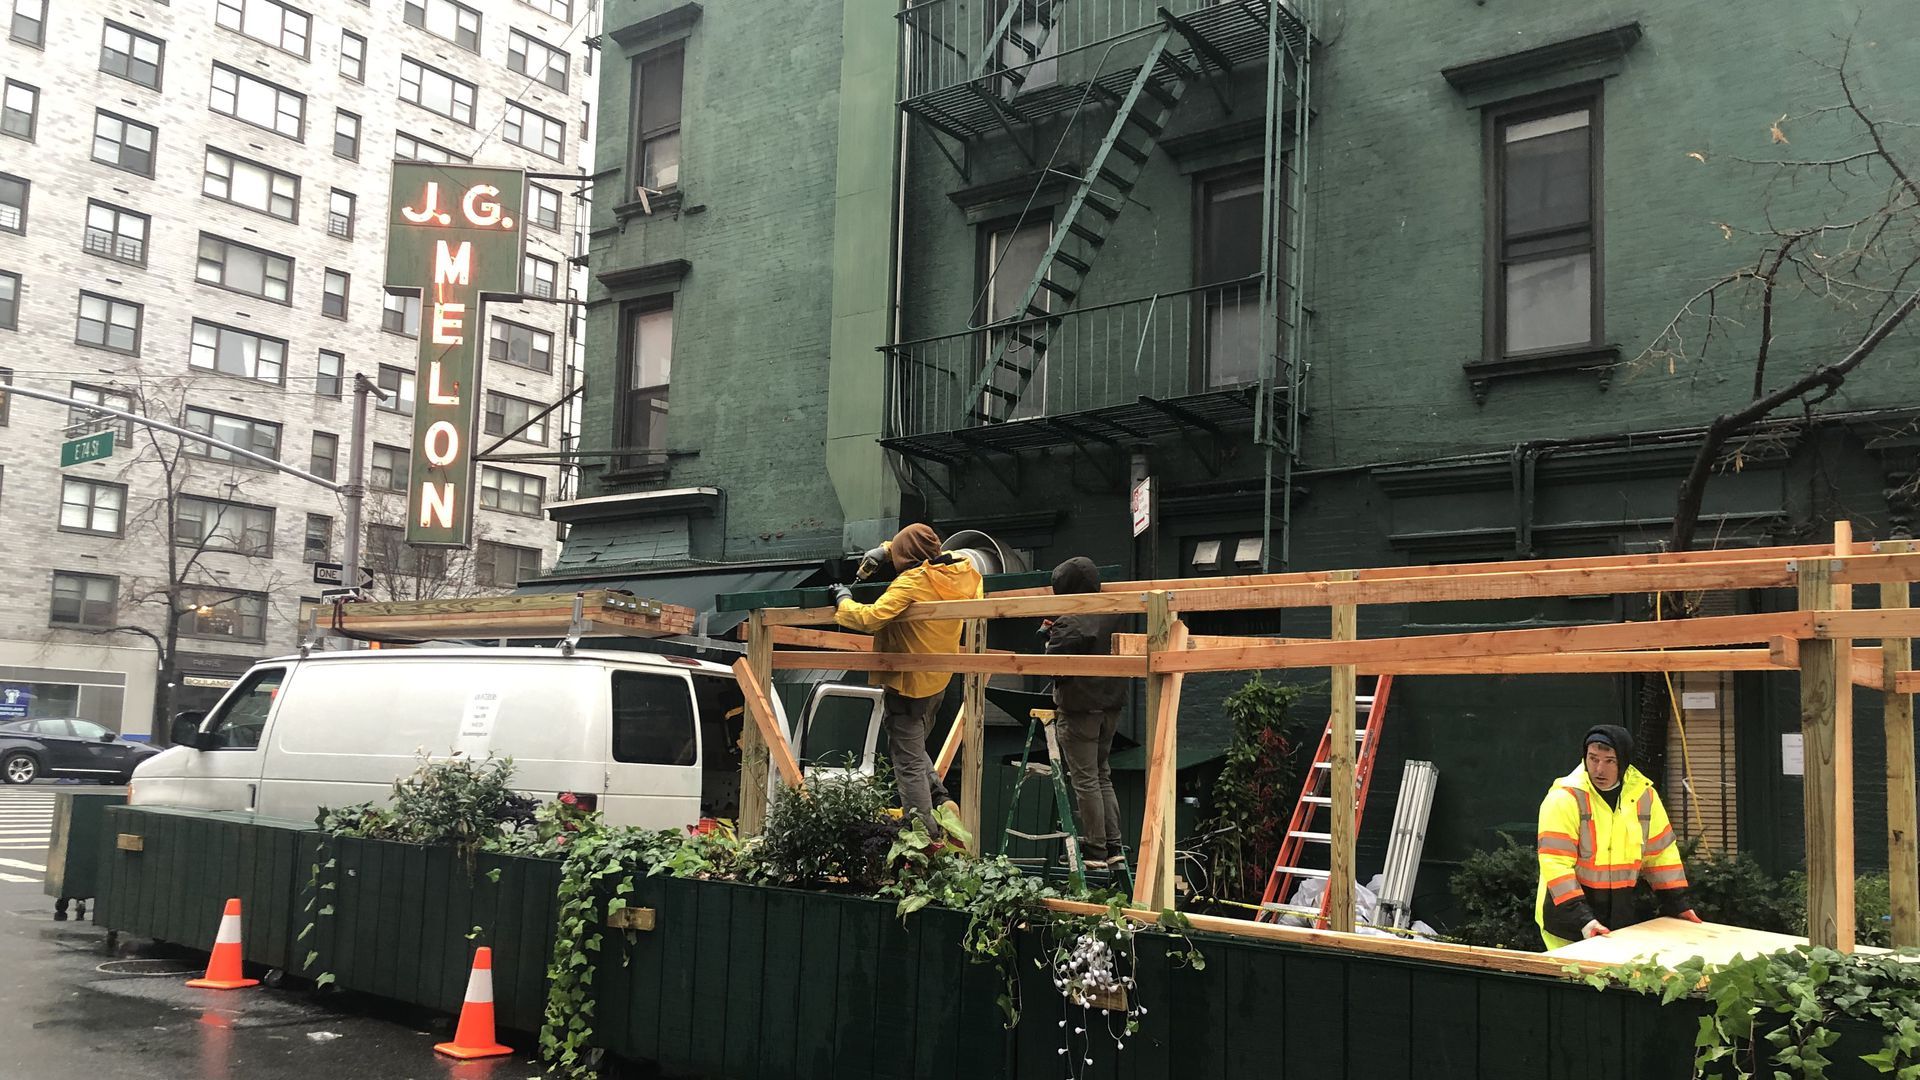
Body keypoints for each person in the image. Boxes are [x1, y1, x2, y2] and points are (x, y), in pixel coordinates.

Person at [829, 524, 983, 836]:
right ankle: (940, 799)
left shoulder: (911, 583)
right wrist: (886, 549)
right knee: (912, 746)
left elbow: (870, 618)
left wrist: (843, 601)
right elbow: (925, 549)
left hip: (908, 684)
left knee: (907, 760)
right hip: (937, 678)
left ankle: (921, 833)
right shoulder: (963, 570)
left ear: (906, 558)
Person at [1535, 724, 1702, 949]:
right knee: (1576, 981)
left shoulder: (1645, 796)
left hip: (1618, 917)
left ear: (1623, 762)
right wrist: (1583, 920)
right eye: (1593, 759)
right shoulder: (1564, 799)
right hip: (1567, 919)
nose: (1599, 769)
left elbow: (1661, 857)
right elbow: (1556, 865)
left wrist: (1678, 905)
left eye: (1609, 761)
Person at [1042, 557, 1129, 868]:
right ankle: (1113, 846)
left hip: (1079, 709)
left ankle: (1094, 850)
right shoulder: (1113, 612)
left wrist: (1050, 635)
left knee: (1085, 779)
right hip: (1110, 707)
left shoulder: (1070, 620)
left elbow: (1054, 667)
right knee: (1102, 775)